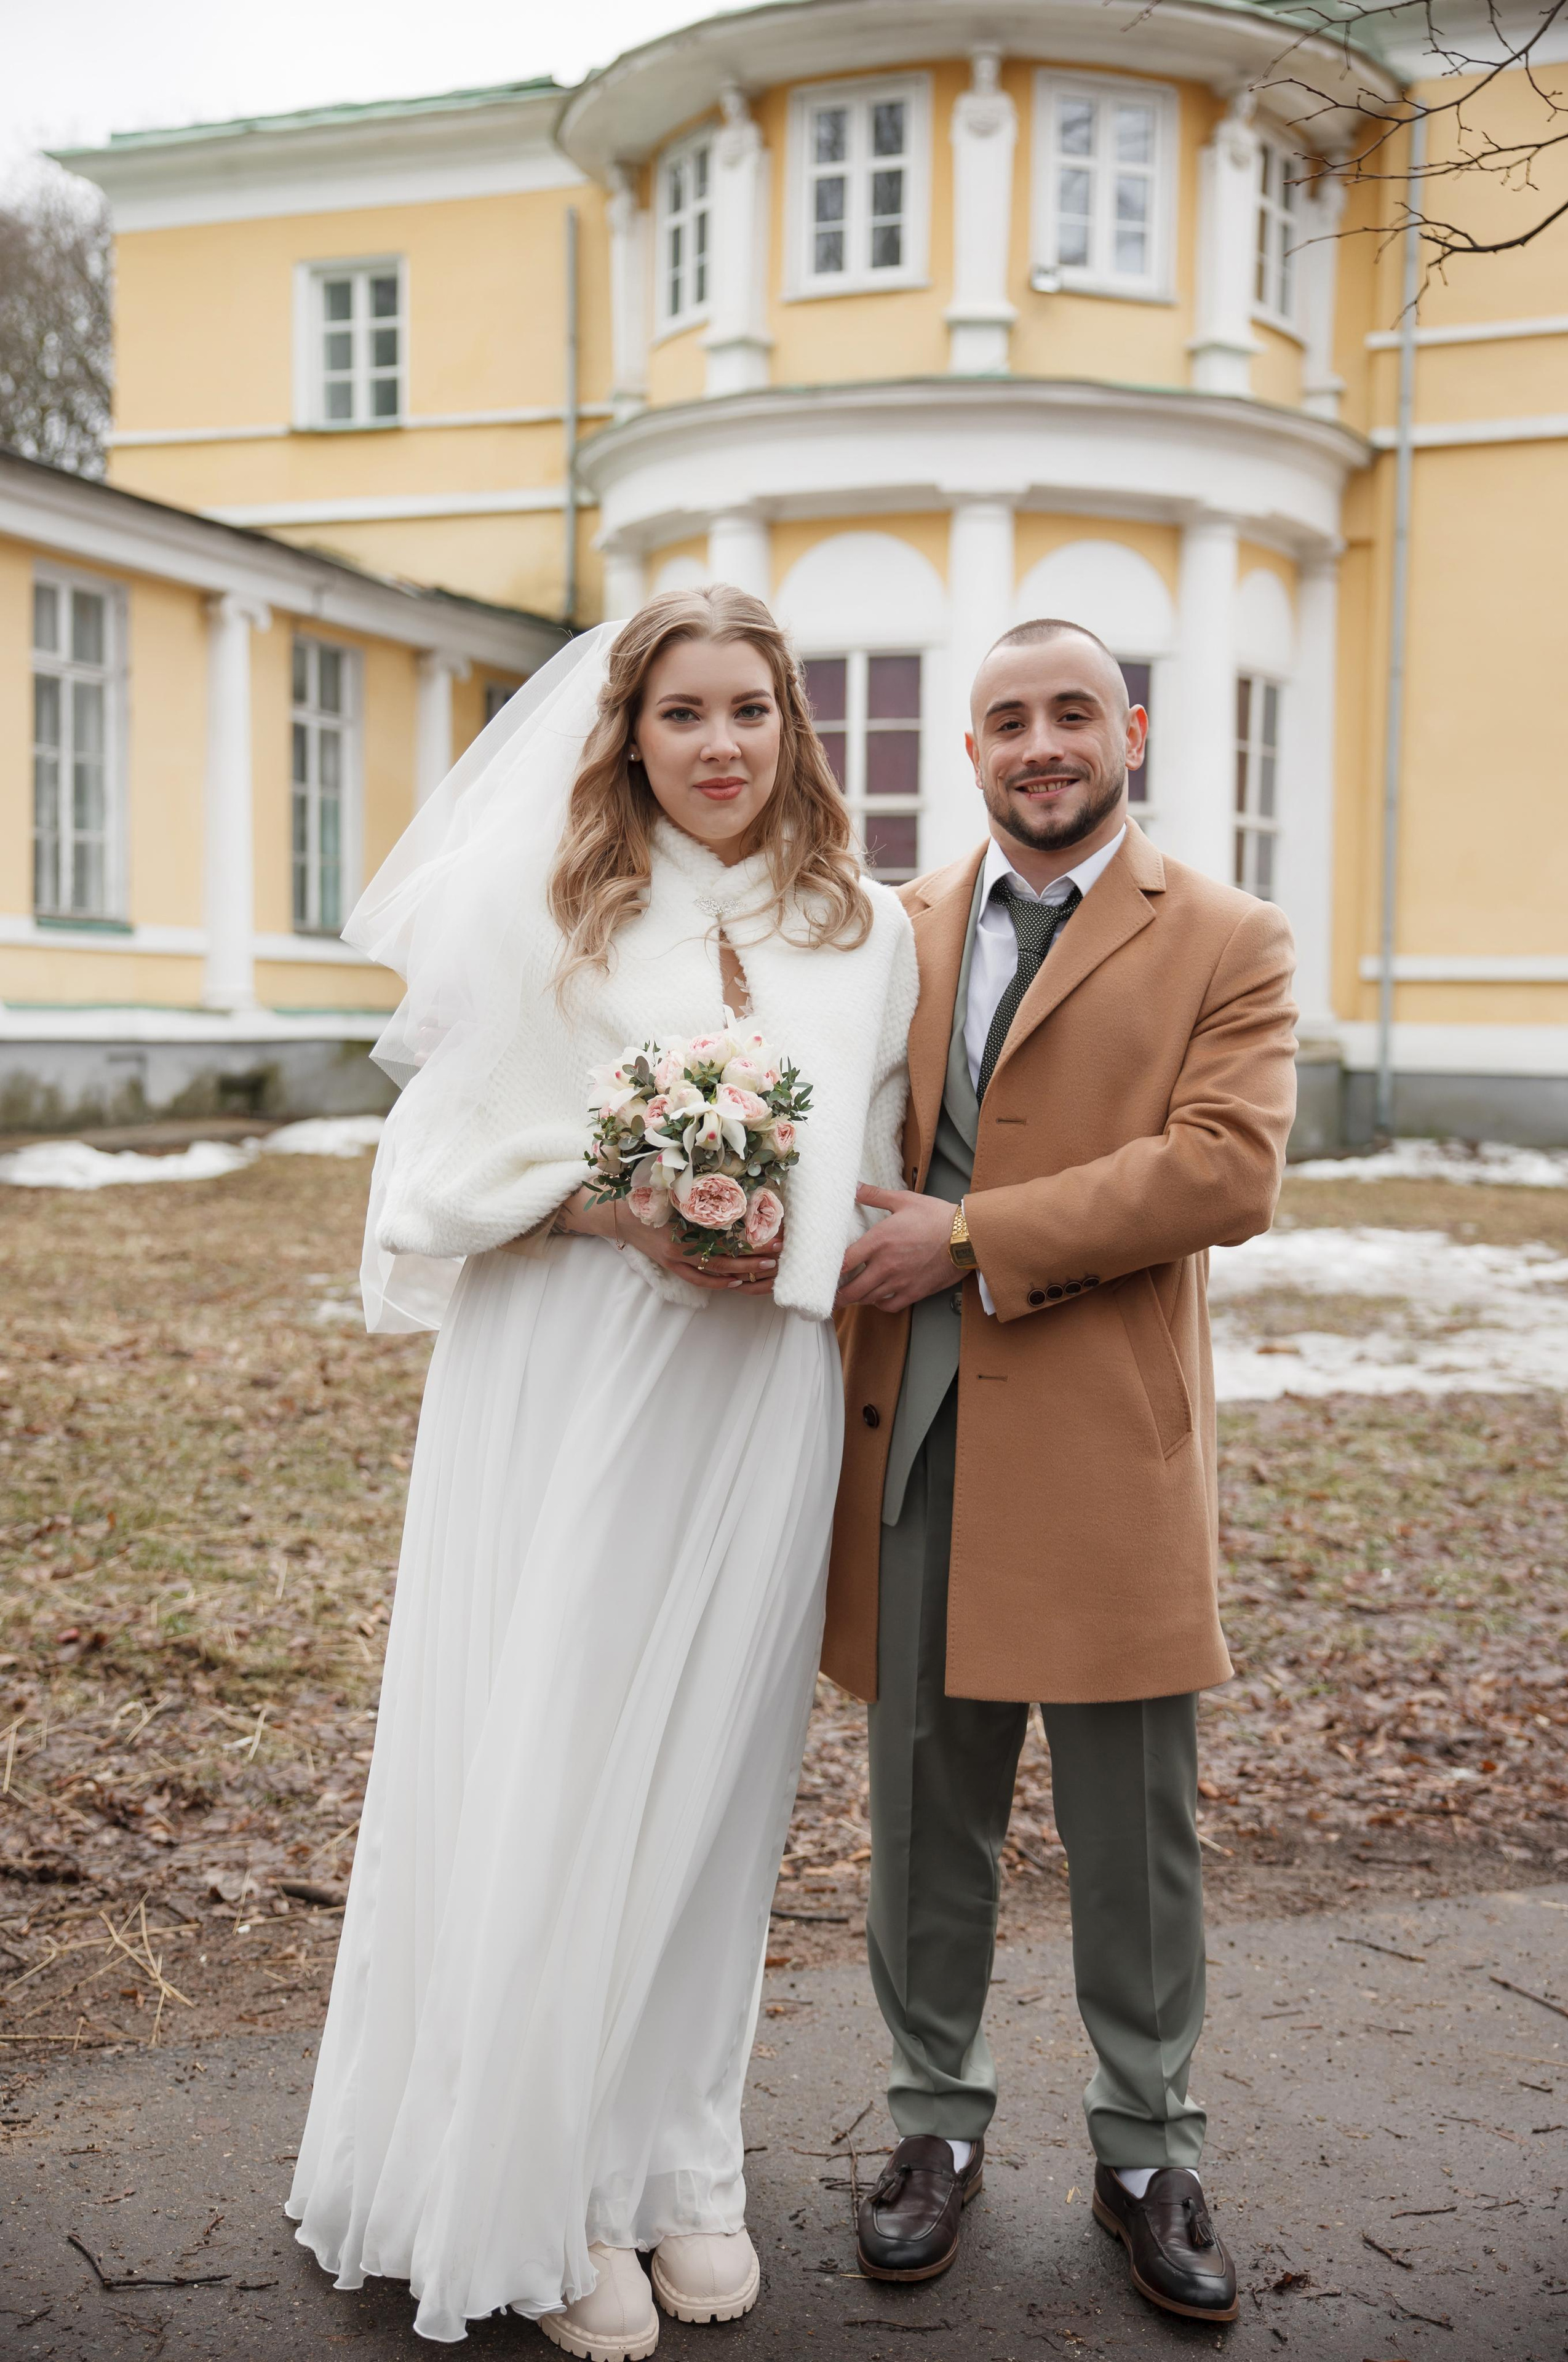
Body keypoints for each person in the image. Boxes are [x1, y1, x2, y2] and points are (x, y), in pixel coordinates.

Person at [288, 588, 917, 2354]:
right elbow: (427, 1175)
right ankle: (545, 2196)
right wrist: (613, 1207)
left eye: (751, 712)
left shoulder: (861, 928)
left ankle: (674, 2165)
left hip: (762, 1404)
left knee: (717, 1788)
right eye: (683, 714)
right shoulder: (547, 905)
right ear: (627, 734)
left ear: (793, 727)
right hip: (575, 1379)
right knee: (558, 1768)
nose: (721, 747)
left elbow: (866, 1161)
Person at [828, 618, 1297, 2328]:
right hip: (922, 1421)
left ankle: (1148, 2148)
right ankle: (932, 2126)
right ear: (971, 752)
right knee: (922, 1807)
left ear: (1134, 732)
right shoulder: (896, 931)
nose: (1043, 743)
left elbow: (1225, 1172)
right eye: (1009, 718)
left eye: (1073, 713)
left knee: (1134, 1830)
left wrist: (973, 1234)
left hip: (1105, 1431)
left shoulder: (1229, 936)